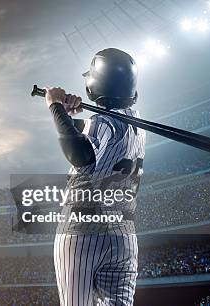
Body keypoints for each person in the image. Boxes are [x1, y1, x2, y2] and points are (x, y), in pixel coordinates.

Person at [45, 48, 145, 306]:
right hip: (123, 236)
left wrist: (55, 106)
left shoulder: (102, 122)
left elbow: (81, 155)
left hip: (82, 233)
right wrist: (67, 118)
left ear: (93, 87)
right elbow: (95, 134)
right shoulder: (138, 124)